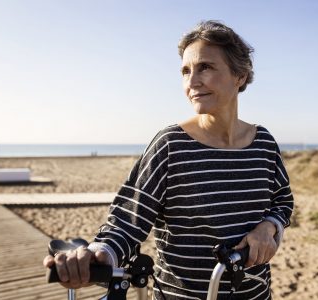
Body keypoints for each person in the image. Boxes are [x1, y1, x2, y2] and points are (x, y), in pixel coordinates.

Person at [43, 20, 294, 299]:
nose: (192, 81)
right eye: (185, 71)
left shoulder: (264, 143)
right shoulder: (171, 145)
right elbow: (126, 222)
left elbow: (282, 201)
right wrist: (97, 254)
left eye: (205, 67)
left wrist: (269, 227)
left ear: (240, 76)